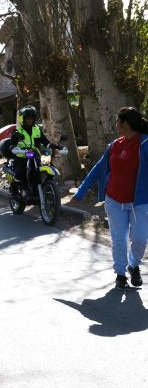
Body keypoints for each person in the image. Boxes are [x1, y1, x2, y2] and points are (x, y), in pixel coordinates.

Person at [73, 106, 148, 290]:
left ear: (125, 124)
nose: (116, 125)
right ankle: (120, 274)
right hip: (114, 200)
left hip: (140, 202)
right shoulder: (115, 145)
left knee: (140, 239)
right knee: (119, 239)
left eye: (117, 121)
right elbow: (98, 169)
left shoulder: (145, 144)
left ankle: (133, 265)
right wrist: (81, 191)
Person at [9, 106, 51, 190]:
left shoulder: (37, 129)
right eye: (27, 118)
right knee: (20, 172)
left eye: (32, 118)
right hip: (22, 156)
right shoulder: (18, 131)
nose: (30, 120)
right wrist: (14, 148)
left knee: (46, 166)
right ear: (22, 119)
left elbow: (45, 141)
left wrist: (53, 146)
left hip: (35, 155)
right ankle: (13, 189)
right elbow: (12, 144)